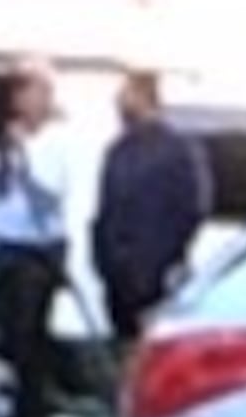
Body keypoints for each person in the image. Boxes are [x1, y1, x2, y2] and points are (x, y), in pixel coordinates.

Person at [0, 56, 90, 417]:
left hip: (40, 249)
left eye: (29, 89)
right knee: (2, 334)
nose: (22, 99)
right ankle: (8, 412)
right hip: (5, 246)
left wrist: (24, 153)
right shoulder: (0, 141)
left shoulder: (58, 139)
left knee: (30, 335)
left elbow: (50, 191)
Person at [90, 66, 215, 351]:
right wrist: (103, 257)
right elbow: (107, 208)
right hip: (118, 275)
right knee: (123, 346)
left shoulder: (178, 149)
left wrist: (167, 256)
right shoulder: (119, 149)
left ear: (144, 96)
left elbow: (193, 208)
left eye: (125, 95)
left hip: (156, 273)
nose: (118, 103)